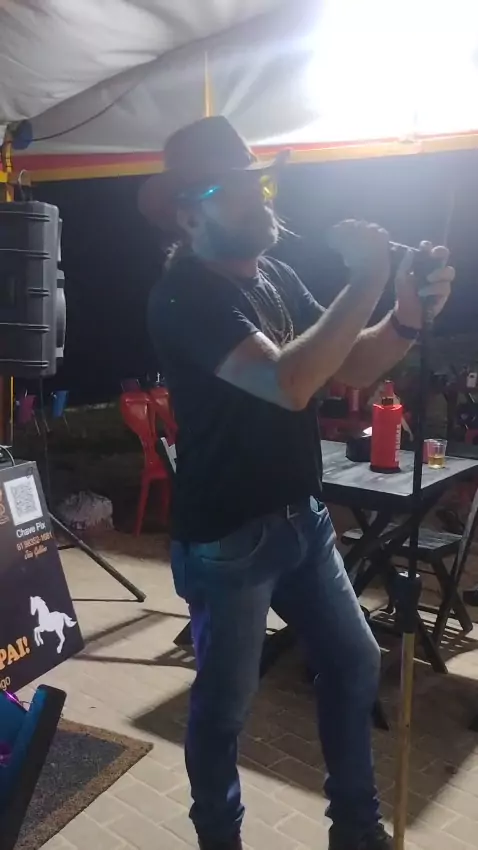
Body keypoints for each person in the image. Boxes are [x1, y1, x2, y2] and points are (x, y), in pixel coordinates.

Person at [142, 117, 454, 850]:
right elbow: (289, 382)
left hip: (301, 518)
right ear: (189, 213)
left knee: (354, 661)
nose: (259, 197)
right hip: (228, 537)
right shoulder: (184, 296)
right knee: (225, 709)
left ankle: (356, 829)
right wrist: (367, 277)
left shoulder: (275, 276)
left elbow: (348, 363)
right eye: (233, 188)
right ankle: (220, 838)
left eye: (259, 182)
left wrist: (405, 316)